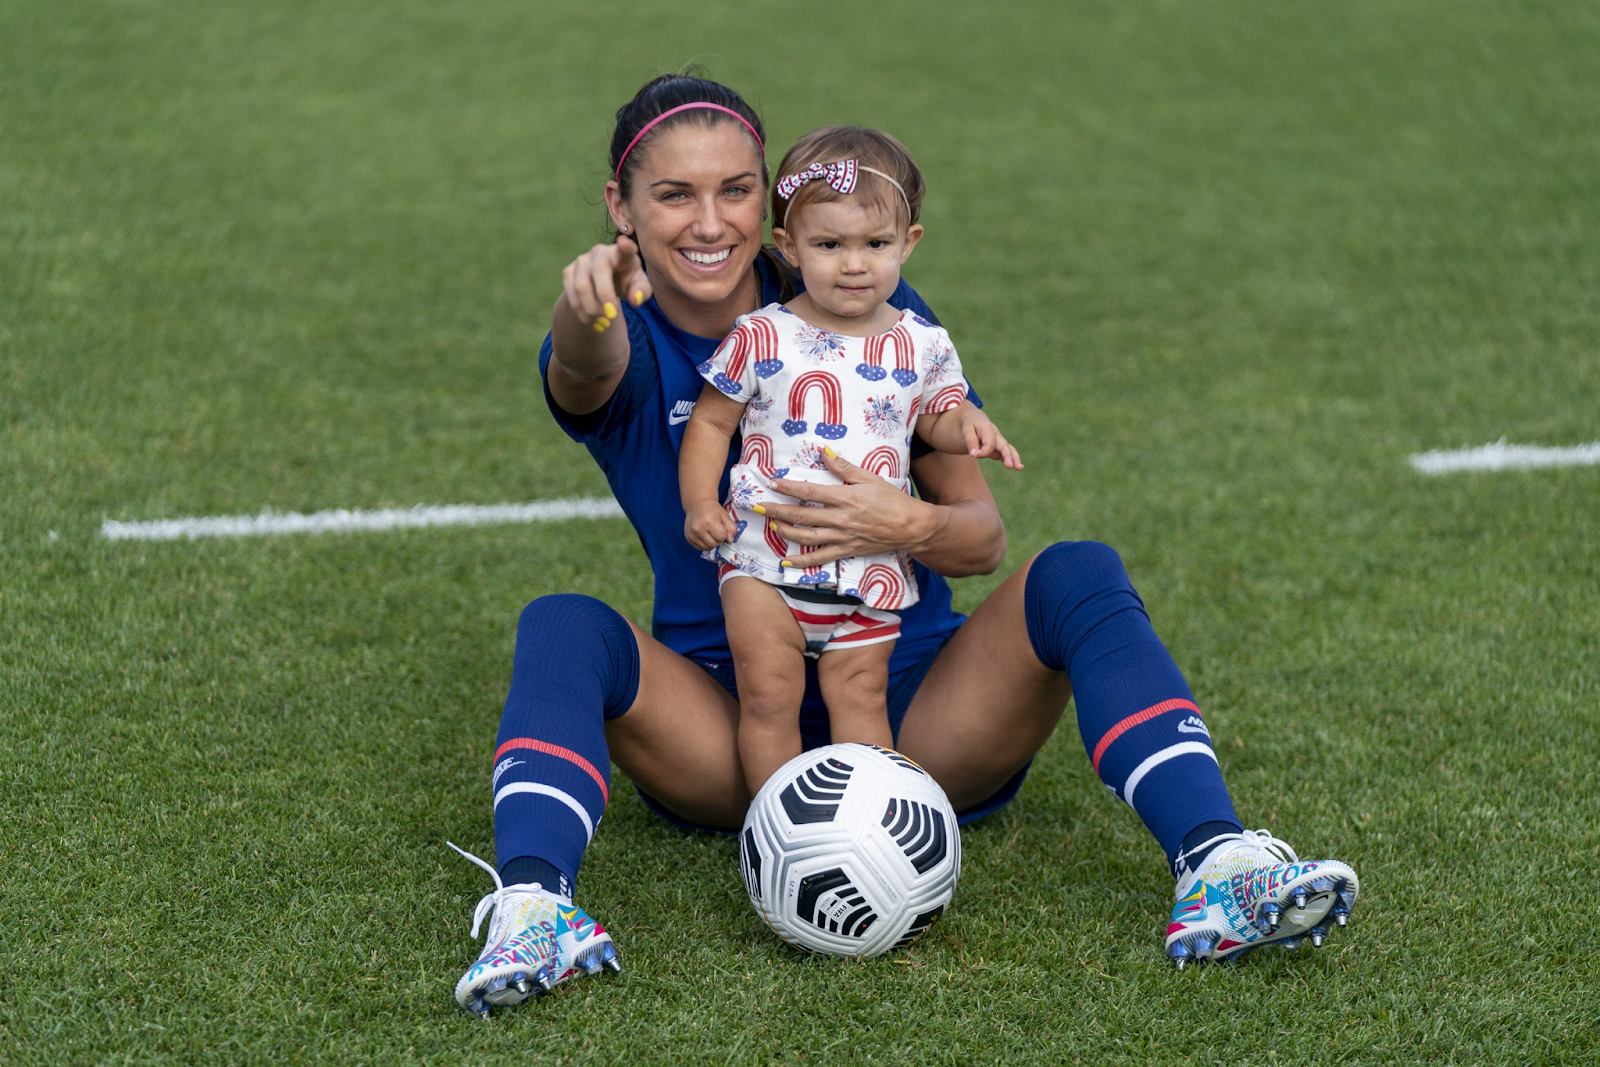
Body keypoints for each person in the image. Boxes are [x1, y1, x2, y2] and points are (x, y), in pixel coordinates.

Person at [448, 72, 1361, 1017]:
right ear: (621, 208)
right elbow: (583, 368)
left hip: (911, 704)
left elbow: (981, 540)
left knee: (1078, 570)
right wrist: (585, 306)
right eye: (673, 194)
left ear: (771, 202)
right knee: (563, 623)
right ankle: (534, 907)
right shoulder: (620, 326)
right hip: (722, 715)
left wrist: (905, 521)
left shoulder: (857, 284)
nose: (708, 221)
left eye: (736, 189)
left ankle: (1219, 863)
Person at [679, 125, 1022, 796]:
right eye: (830, 245)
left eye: (875, 244)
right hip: (762, 562)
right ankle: (775, 827)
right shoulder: (763, 333)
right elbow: (711, 422)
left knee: (862, 700)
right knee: (769, 698)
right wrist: (699, 503)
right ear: (790, 246)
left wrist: (970, 427)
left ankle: (871, 820)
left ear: (909, 244)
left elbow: (935, 416)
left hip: (870, 570)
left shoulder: (922, 344)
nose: (854, 264)